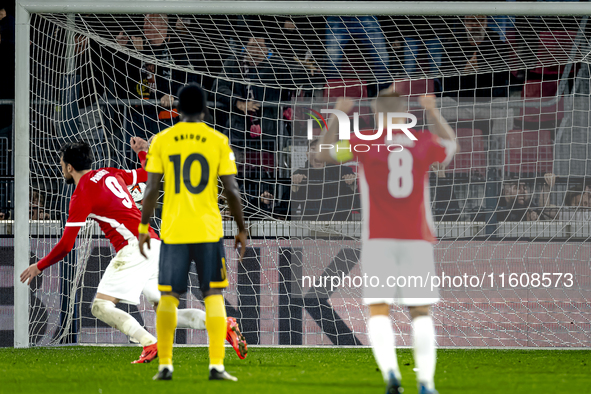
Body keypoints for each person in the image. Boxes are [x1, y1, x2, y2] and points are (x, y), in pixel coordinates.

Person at [19, 139, 247, 364]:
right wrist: (141, 153)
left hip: (133, 248)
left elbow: (66, 245)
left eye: (62, 164)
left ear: (69, 167)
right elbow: (148, 173)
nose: (62, 169)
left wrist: (38, 266)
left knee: (101, 306)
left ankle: (148, 342)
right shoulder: (109, 173)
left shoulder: (81, 194)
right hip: (156, 246)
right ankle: (222, 323)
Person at [318, 92, 457, 394]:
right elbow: (451, 146)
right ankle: (426, 383)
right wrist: (432, 112)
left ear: (374, 114)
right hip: (417, 238)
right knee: (420, 312)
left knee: (379, 310)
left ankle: (392, 374)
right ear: (406, 113)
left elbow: (322, 154)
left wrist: (336, 116)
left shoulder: (364, 140)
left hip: (378, 238)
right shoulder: (423, 141)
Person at [139, 83, 248, 381]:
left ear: (177, 109)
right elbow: (232, 191)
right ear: (205, 108)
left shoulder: (162, 139)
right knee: (213, 294)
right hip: (208, 229)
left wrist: (143, 226)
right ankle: (216, 366)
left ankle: (165, 365)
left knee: (169, 297)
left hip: (174, 231)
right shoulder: (217, 140)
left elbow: (151, 189)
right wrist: (240, 228)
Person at [291, 138, 358, 221]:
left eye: (322, 149)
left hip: (340, 228)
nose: (318, 152)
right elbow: (288, 210)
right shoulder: (300, 174)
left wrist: (354, 187)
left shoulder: (344, 172)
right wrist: (294, 189)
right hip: (310, 228)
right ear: (307, 154)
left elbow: (359, 206)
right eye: (313, 149)